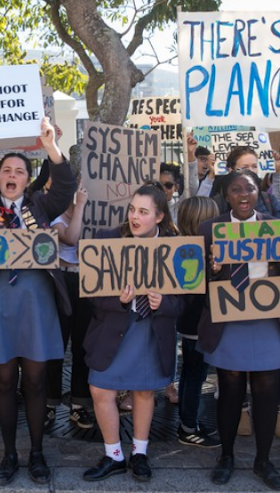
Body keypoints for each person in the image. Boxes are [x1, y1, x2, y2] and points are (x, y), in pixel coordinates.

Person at [0, 118, 76, 486]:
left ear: (27, 179)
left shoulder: (41, 205)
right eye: (6, 169)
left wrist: (51, 146)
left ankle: (36, 453)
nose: (12, 175)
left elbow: (66, 186)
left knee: (36, 382)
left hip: (36, 305)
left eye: (19, 171)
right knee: (5, 382)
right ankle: (9, 454)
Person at [198, 169, 280, 490]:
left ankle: (263, 461)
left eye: (249, 189)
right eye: (236, 189)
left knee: (268, 392)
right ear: (226, 195)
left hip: (268, 317)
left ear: (258, 193)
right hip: (229, 319)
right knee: (230, 391)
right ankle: (226, 456)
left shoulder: (277, 228)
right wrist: (212, 270)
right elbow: (193, 281)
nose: (243, 194)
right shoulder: (210, 229)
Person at [82, 183, 184, 483]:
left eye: (143, 212)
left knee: (143, 390)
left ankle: (140, 453)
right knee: (100, 389)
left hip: (151, 330)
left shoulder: (176, 246)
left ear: (159, 216)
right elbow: (90, 293)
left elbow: (188, 299)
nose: (134, 217)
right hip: (114, 328)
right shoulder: (107, 239)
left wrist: (165, 303)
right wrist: (120, 300)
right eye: (131, 210)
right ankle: (113, 455)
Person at [45, 176, 93, 429]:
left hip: (87, 281)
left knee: (83, 345)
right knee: (56, 344)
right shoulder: (56, 217)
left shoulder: (94, 214)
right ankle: (49, 402)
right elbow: (71, 239)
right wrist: (81, 206)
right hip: (63, 282)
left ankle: (80, 404)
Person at [174, 196, 221, 449]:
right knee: (195, 376)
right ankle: (188, 427)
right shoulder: (198, 251)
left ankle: (188, 422)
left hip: (188, 322)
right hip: (198, 323)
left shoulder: (183, 246)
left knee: (189, 374)